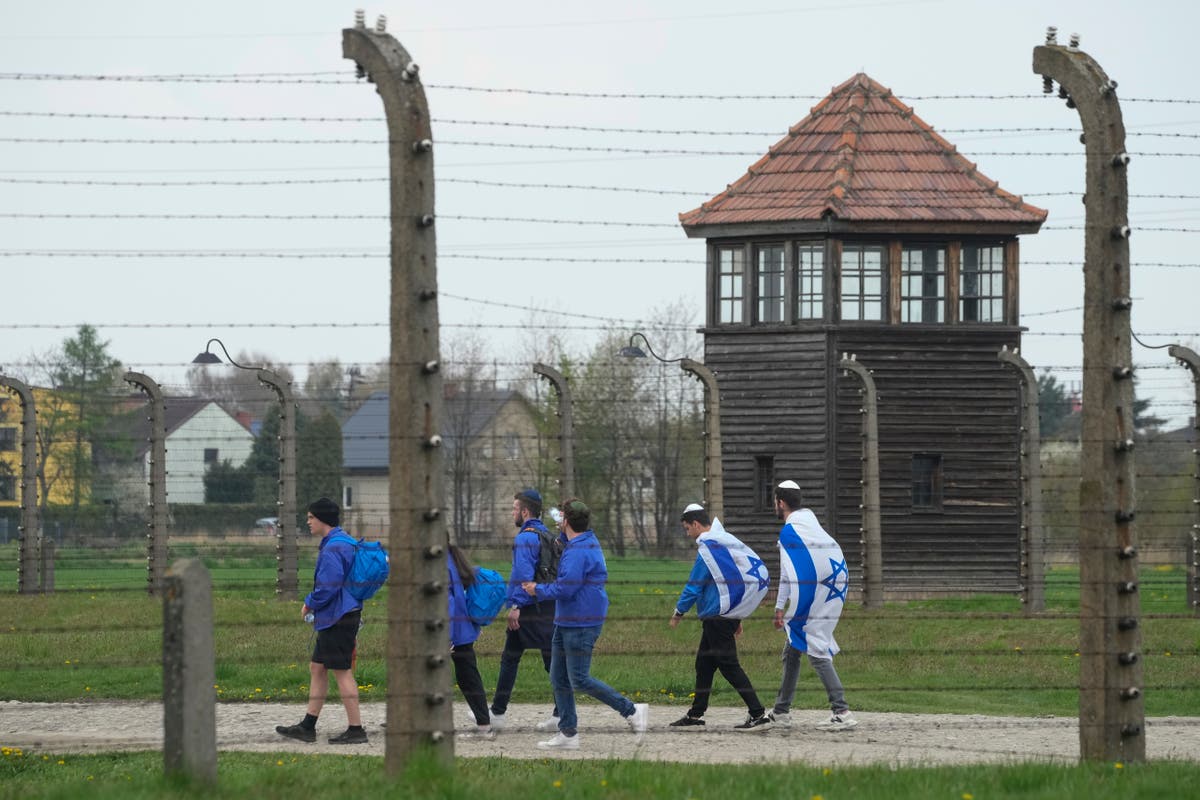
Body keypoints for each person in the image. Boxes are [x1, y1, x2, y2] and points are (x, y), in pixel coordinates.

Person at [521, 498, 648, 751]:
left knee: (578, 678)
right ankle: (568, 734)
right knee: (559, 677)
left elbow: (566, 588)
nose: (558, 521)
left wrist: (537, 590)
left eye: (561, 517)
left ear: (567, 521)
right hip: (566, 619)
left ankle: (632, 710)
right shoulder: (581, 541)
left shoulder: (579, 550)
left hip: (581, 620)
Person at [668, 503, 772, 731]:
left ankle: (758, 714)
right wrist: (738, 616)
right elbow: (732, 580)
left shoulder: (708, 549)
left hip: (717, 618)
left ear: (695, 524)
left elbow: (694, 586)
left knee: (728, 665)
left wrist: (678, 612)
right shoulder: (724, 542)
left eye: (687, 528)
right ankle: (696, 714)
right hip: (725, 616)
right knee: (704, 664)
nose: (688, 533)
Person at [276, 497, 368, 744]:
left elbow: (328, 587)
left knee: (342, 672)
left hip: (338, 616)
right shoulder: (344, 541)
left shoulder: (333, 548)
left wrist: (309, 603)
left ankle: (356, 729)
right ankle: (308, 726)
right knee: (317, 668)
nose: (307, 522)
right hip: (338, 616)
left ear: (322, 519)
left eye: (310, 518)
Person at [769, 480, 857, 731]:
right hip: (831, 585)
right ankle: (781, 711)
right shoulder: (811, 526)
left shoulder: (791, 533)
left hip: (816, 590)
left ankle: (841, 711)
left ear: (781, 503)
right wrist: (781, 608)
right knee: (793, 649)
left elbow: (791, 574)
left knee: (815, 645)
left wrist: (782, 607)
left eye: (775, 502)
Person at [488, 488, 559, 734]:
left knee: (510, 659)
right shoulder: (547, 535)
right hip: (548, 605)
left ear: (525, 511)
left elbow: (522, 575)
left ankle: (497, 714)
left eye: (515, 508)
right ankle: (561, 713)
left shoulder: (525, 538)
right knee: (551, 661)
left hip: (529, 608)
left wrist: (516, 606)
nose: (512, 513)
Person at [447, 544, 495, 741]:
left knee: (467, 677)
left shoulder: (440, 565)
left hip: (454, 630)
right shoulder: (452, 558)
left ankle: (484, 726)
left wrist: (446, 636)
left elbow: (448, 602)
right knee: (467, 675)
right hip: (463, 628)